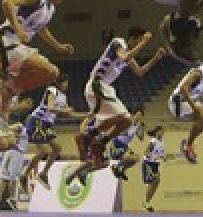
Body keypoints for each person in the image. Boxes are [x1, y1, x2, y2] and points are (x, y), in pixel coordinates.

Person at [70, 28, 164, 184]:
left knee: (127, 122)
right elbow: (126, 56)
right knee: (125, 118)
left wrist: (156, 58)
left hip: (99, 89)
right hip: (98, 85)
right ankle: (87, 138)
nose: (141, 43)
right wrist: (145, 42)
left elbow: (140, 72)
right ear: (134, 38)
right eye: (139, 40)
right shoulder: (118, 42)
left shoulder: (127, 55)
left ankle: (95, 140)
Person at [0, 0, 74, 95]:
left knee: (51, 74)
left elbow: (41, 29)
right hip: (3, 44)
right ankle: (6, 87)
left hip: (12, 52)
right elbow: (7, 2)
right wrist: (18, 29)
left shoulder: (50, 9)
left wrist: (58, 46)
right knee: (50, 70)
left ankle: (7, 89)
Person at [23, 75, 83, 190]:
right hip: (37, 121)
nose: (67, 85)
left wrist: (88, 115)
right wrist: (64, 110)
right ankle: (25, 174)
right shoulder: (52, 90)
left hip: (45, 125)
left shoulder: (64, 97)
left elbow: (70, 114)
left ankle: (43, 173)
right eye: (65, 83)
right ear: (60, 83)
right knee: (45, 151)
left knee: (57, 149)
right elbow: (50, 108)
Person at [166, 45, 203, 163]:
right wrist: (194, 107)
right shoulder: (198, 72)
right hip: (177, 103)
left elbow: (198, 93)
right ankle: (187, 145)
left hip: (186, 102)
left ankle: (188, 143)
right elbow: (183, 89)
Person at [107, 108, 145, 181]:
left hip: (124, 146)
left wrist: (142, 128)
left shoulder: (138, 125)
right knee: (132, 157)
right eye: (137, 115)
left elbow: (141, 138)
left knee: (136, 158)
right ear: (134, 115)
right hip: (116, 144)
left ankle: (120, 169)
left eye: (140, 116)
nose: (138, 117)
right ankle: (118, 167)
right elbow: (120, 132)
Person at [141, 125, 166, 212]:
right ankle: (146, 203)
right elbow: (146, 152)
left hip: (156, 164)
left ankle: (147, 202)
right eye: (160, 131)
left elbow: (162, 156)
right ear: (156, 132)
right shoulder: (153, 141)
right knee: (154, 180)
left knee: (157, 181)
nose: (162, 133)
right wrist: (152, 156)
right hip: (148, 163)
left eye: (163, 131)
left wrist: (165, 158)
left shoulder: (162, 143)